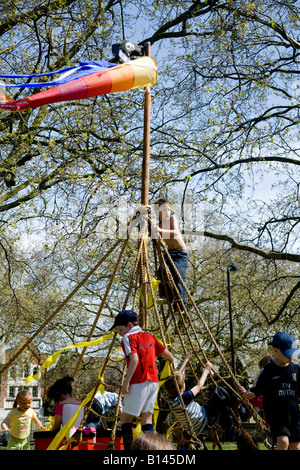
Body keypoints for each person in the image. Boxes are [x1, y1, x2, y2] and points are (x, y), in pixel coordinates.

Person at [109, 309, 174, 450]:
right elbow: (168, 355)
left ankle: (128, 451)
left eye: (120, 329)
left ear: (129, 325)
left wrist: (126, 383)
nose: (120, 333)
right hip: (154, 382)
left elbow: (134, 360)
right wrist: (171, 361)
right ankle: (150, 450)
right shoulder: (150, 336)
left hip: (138, 382)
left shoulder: (128, 338)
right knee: (147, 419)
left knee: (125, 418)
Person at [240, 332, 300, 451]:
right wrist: (250, 394)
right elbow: (256, 388)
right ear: (276, 350)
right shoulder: (268, 369)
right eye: (287, 353)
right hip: (277, 414)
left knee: (296, 446)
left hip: (293, 414)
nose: (290, 356)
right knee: (283, 442)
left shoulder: (296, 366)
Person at [164, 353, 240, 440]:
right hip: (204, 418)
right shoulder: (184, 397)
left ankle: (228, 428)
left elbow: (178, 377)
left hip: (193, 427)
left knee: (221, 403)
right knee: (219, 391)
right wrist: (206, 370)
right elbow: (199, 386)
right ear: (181, 389)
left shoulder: (170, 399)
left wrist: (186, 360)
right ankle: (236, 407)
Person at [151, 197, 188, 309]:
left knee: (177, 276)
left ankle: (181, 305)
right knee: (161, 271)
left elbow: (175, 233)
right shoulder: (159, 225)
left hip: (180, 254)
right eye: (164, 210)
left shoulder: (172, 219)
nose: (167, 212)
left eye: (168, 210)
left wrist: (159, 230)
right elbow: (155, 236)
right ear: (158, 212)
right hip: (170, 253)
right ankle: (166, 296)